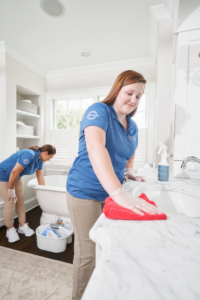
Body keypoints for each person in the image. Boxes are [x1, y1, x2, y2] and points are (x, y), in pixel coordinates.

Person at [66, 70, 162, 300]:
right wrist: (118, 192)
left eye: (139, 96)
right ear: (117, 89)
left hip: (110, 193)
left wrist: (128, 171)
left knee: (109, 246)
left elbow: (130, 151)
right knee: (87, 253)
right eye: (130, 92)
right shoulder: (98, 111)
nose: (134, 100)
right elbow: (96, 148)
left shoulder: (133, 126)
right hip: (85, 192)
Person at [0, 144, 56, 243]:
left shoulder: (40, 161)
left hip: (16, 176)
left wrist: (43, 193)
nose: (49, 159)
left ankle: (22, 225)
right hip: (3, 175)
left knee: (21, 201)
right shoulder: (29, 154)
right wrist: (11, 189)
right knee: (10, 202)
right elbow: (14, 172)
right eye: (50, 157)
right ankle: (10, 229)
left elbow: (40, 178)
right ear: (46, 153)